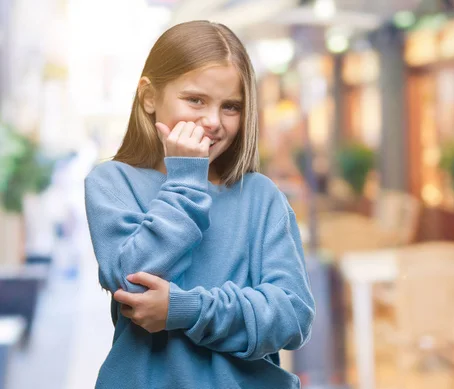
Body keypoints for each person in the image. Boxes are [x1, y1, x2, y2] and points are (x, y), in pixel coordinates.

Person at [84, 21, 315, 389]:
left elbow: (292, 318)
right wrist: (186, 179)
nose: (212, 122)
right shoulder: (112, 182)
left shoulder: (261, 196)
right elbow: (133, 286)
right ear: (148, 96)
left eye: (231, 107)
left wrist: (184, 310)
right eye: (195, 100)